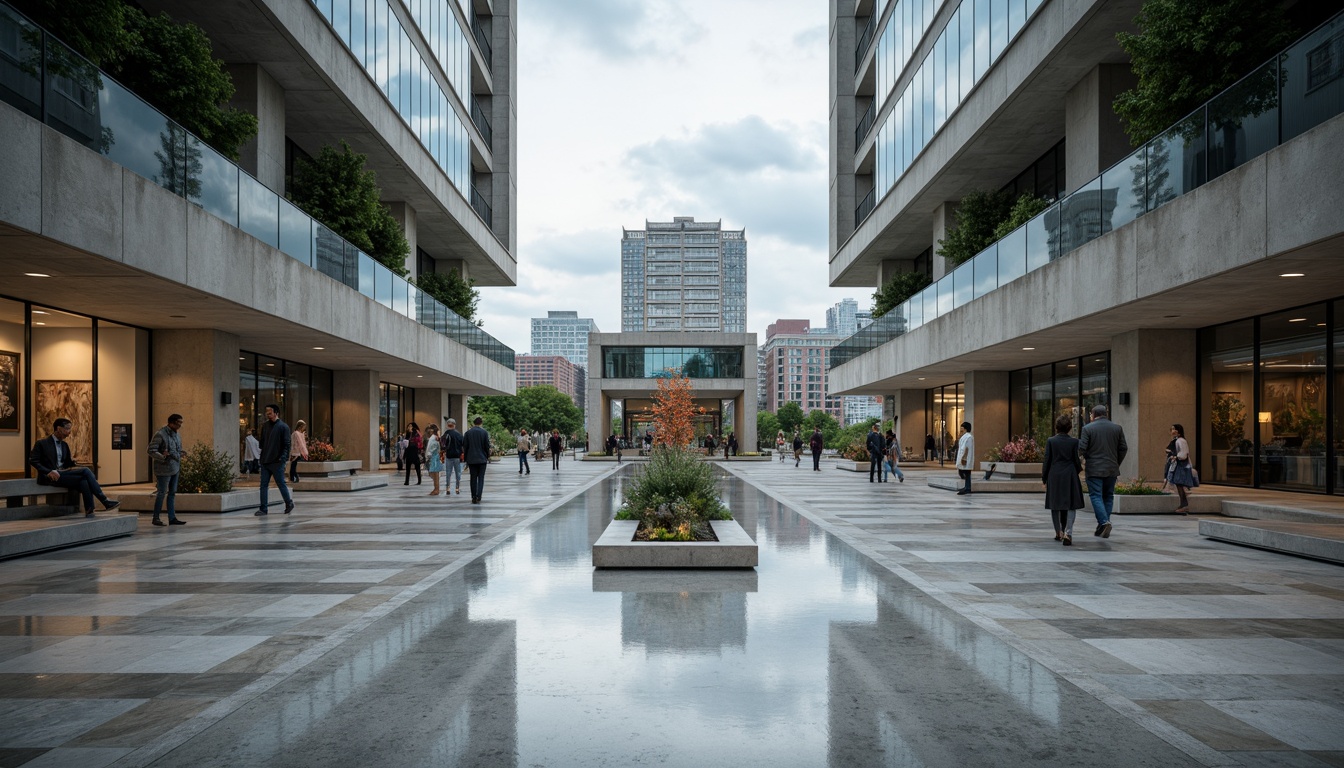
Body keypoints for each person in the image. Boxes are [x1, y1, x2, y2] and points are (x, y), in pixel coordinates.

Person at [29, 418, 120, 517]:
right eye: (67, 429)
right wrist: (48, 472)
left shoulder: (64, 445)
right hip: (50, 477)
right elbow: (33, 460)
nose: (69, 433)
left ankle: (90, 510)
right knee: (85, 471)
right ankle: (104, 500)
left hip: (63, 474)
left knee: (84, 480)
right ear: (59, 429)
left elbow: (67, 463)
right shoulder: (42, 444)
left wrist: (74, 463)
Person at [1079, 404, 1127, 538]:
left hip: (1094, 469)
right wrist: (1116, 462)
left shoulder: (1087, 429)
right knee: (1108, 496)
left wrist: (1083, 460)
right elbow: (1123, 447)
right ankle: (1103, 524)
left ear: (1093, 415)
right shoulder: (1117, 428)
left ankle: (1104, 522)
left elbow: (1081, 448)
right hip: (1111, 468)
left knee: (1095, 495)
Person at [1042, 415, 1083, 545]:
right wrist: (1077, 470)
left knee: (1055, 504)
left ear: (1056, 427)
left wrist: (1044, 477)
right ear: (1070, 428)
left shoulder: (1051, 441)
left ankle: (1058, 532)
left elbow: (1047, 460)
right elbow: (1077, 461)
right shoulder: (1074, 442)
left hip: (1054, 474)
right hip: (1070, 474)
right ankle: (1068, 532)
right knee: (1071, 504)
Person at [255, 404, 294, 516]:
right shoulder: (265, 426)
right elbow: (262, 442)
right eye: (267, 412)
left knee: (280, 483)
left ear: (276, 413)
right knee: (263, 485)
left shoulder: (283, 427)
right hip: (265, 461)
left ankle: (289, 503)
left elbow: (287, 444)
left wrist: (283, 459)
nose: (268, 415)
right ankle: (263, 509)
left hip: (277, 461)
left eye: (270, 413)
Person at [147, 413, 186, 526]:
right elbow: (151, 450)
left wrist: (180, 453)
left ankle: (172, 518)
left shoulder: (177, 435)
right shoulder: (160, 434)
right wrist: (163, 456)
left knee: (172, 493)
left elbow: (176, 449)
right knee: (161, 493)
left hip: (175, 467)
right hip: (163, 469)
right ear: (171, 422)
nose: (180, 425)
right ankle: (156, 517)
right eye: (178, 423)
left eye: (181, 423)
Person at [1165, 423, 1198, 514]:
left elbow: (1184, 453)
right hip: (1179, 465)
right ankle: (1183, 504)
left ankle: (1184, 505)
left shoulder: (1180, 441)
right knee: (1179, 485)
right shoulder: (1177, 440)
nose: (1172, 431)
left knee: (1180, 484)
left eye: (1174, 429)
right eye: (1171, 429)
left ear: (1178, 431)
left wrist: (1176, 457)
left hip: (1181, 465)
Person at [463, 416, 491, 504]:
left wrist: (466, 458)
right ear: (481, 423)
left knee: (473, 478)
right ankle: (479, 495)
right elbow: (487, 446)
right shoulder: (484, 433)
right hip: (482, 459)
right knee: (481, 478)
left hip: (471, 459)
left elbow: (465, 446)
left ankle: (473, 496)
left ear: (473, 423)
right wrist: (487, 456)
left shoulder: (468, 433)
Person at [442, 418, 464, 495]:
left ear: (447, 425)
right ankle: (457, 488)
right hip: (457, 456)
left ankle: (448, 488)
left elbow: (443, 445)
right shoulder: (459, 434)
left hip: (449, 456)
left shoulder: (446, 434)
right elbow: (462, 444)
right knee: (458, 472)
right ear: (454, 425)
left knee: (448, 472)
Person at [954, 421, 974, 495]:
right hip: (963, 457)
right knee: (964, 472)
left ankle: (967, 488)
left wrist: (964, 458)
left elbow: (968, 448)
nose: (960, 430)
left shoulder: (969, 437)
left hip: (965, 458)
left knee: (967, 473)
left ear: (965, 429)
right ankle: (966, 487)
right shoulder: (964, 437)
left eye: (962, 428)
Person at [425, 424, 443, 495]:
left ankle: (436, 489)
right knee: (435, 473)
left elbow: (432, 448)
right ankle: (436, 488)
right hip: (434, 457)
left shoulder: (433, 438)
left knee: (434, 473)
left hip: (433, 457)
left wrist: (428, 455)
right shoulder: (435, 437)